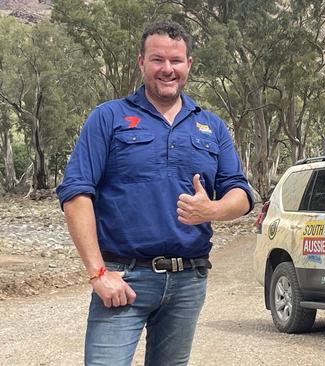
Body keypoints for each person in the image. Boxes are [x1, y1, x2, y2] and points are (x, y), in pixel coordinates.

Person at [56, 20, 253, 366]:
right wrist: (98, 273)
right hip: (123, 278)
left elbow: (240, 192)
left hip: (187, 281)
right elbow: (76, 194)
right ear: (141, 62)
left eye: (175, 61)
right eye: (157, 59)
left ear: (189, 64)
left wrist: (212, 210)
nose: (167, 69)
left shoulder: (211, 125)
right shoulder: (109, 117)